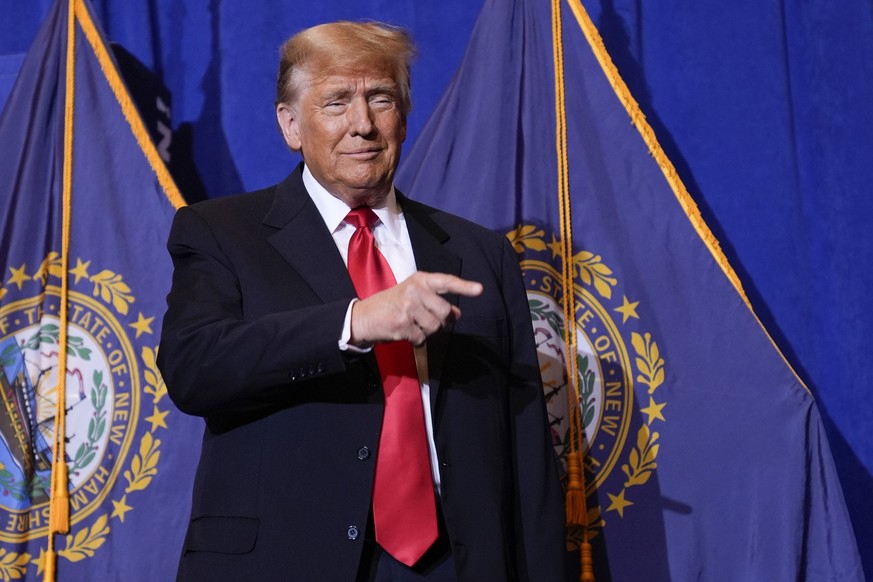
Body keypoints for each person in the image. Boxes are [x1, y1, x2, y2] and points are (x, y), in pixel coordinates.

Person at [157, 20, 566, 582]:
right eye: (336, 102)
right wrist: (355, 322)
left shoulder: (480, 253)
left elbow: (527, 453)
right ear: (290, 124)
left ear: (405, 114)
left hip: (453, 565)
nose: (363, 125)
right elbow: (194, 367)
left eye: (381, 99)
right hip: (283, 562)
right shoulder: (221, 232)